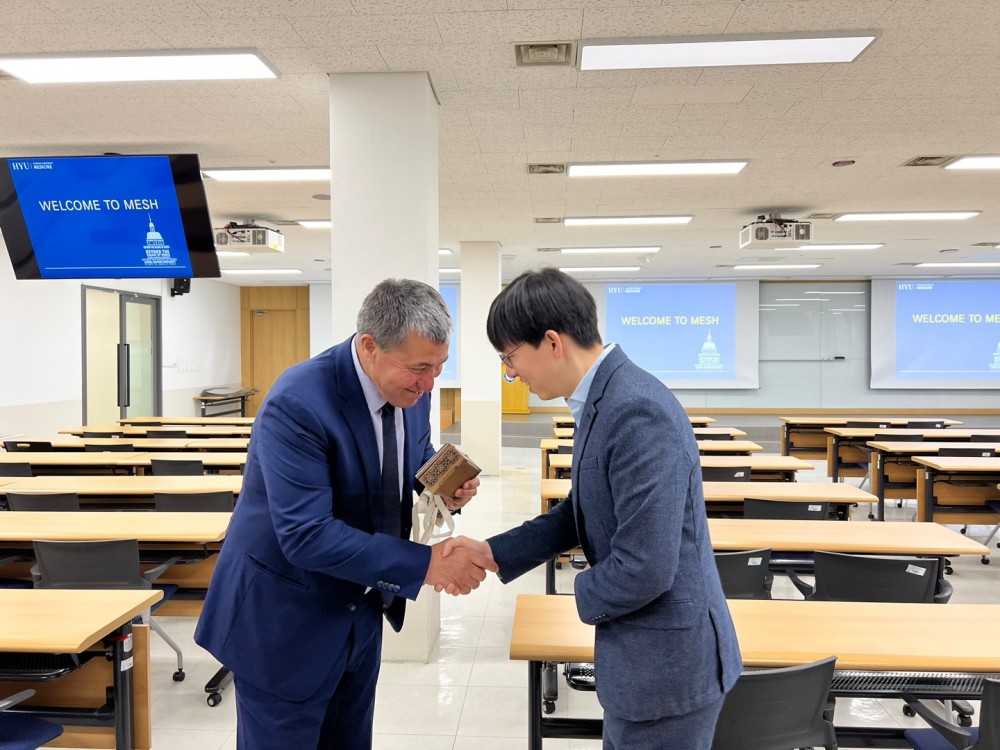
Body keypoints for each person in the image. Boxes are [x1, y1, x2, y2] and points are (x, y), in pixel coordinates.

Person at [445, 268, 742, 749]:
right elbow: (578, 512)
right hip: (644, 661)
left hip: (668, 670)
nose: (511, 373)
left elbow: (646, 567)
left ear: (552, 342)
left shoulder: (636, 410)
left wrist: (574, 599)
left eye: (511, 357)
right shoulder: (601, 400)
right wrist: (491, 552)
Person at [195, 278, 496, 750]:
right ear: (371, 346)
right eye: (419, 368)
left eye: (440, 366)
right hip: (283, 621)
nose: (430, 383)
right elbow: (307, 534)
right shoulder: (298, 401)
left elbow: (413, 454)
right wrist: (428, 564)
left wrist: (443, 487)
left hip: (358, 614)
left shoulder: (413, 391)